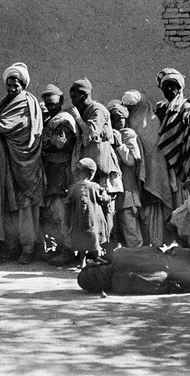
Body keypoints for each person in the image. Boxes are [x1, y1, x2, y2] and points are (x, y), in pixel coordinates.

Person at [0, 62, 46, 264]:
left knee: (26, 206)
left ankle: (28, 248)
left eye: (16, 85)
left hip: (26, 162)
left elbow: (8, 125)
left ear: (23, 85)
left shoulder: (25, 102)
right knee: (13, 206)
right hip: (11, 162)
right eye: (9, 86)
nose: (12, 89)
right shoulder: (9, 102)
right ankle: (13, 247)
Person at [69, 78, 122, 246]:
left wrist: (77, 118)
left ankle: (106, 248)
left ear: (85, 95)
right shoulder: (87, 110)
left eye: (75, 97)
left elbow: (91, 133)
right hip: (92, 168)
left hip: (103, 168)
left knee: (106, 209)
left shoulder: (97, 110)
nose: (73, 102)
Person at [121, 90, 174, 247]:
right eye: (128, 108)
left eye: (133, 107)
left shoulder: (152, 123)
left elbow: (154, 155)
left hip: (153, 178)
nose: (130, 111)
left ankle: (155, 247)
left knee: (152, 214)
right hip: (134, 177)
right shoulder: (129, 125)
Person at [155, 68, 190, 207]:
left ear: (179, 87)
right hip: (166, 167)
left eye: (173, 85)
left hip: (185, 166)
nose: (169, 89)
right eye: (165, 86)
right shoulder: (161, 109)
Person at [42, 111, 79, 266]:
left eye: (65, 132)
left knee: (64, 218)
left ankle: (68, 251)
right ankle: (60, 249)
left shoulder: (73, 152)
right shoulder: (48, 148)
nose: (61, 136)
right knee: (54, 218)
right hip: (53, 188)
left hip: (64, 190)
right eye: (57, 131)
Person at [108, 102, 143, 248]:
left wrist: (120, 145)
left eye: (119, 119)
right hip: (114, 184)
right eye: (113, 119)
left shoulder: (129, 134)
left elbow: (132, 160)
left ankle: (138, 252)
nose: (117, 123)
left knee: (129, 222)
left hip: (128, 185)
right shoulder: (110, 134)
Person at [67, 158, 110, 266]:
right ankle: (97, 258)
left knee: (81, 239)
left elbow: (68, 201)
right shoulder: (95, 187)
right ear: (91, 174)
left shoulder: (74, 188)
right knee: (94, 237)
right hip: (93, 219)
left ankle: (82, 261)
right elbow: (104, 199)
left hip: (78, 219)